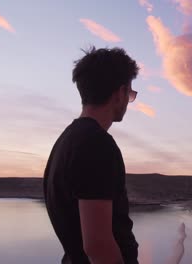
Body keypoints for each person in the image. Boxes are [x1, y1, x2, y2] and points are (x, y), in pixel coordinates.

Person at [43, 47, 140, 264]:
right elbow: (97, 245)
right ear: (119, 93)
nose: (128, 101)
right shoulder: (96, 144)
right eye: (130, 95)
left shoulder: (66, 140)